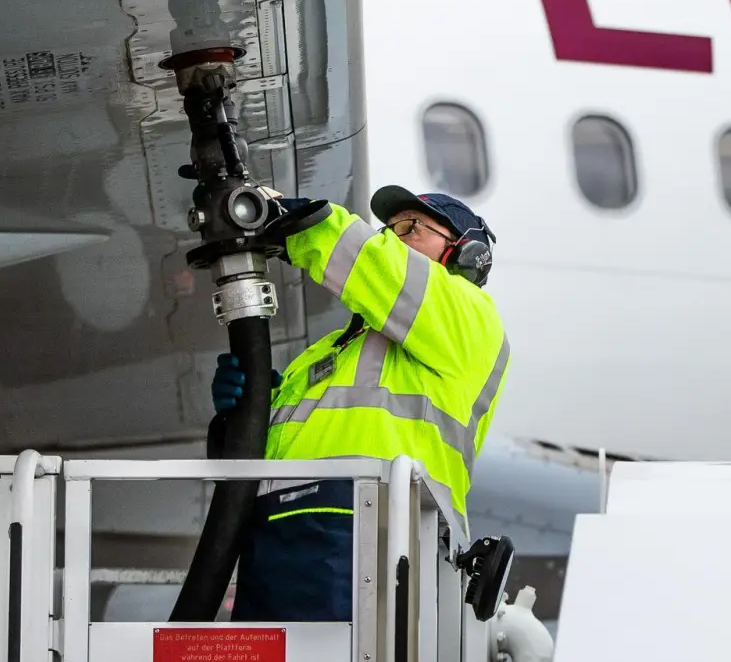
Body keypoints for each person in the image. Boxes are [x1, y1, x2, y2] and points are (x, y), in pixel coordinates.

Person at [209, 185, 510, 622]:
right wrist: (238, 417)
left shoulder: (472, 321)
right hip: (279, 546)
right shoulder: (325, 353)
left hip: (378, 536)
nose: (393, 237)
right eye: (389, 228)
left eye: (411, 228)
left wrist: (304, 222)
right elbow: (246, 470)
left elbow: (383, 269)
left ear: (465, 254)